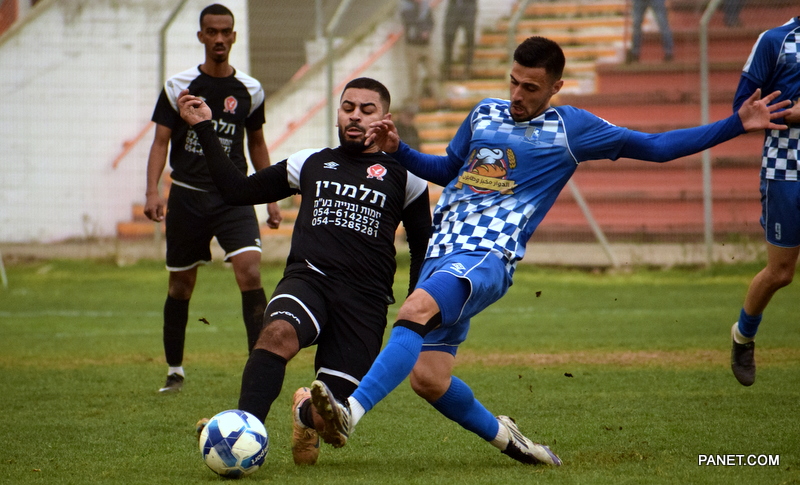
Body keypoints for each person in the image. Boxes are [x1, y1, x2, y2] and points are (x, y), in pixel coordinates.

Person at [308, 36, 790, 466]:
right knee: (429, 379)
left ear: (556, 87)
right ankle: (514, 443)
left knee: (414, 310)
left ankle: (350, 412)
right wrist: (400, 150)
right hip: (443, 253)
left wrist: (736, 124)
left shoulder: (571, 129)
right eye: (513, 82)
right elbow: (449, 169)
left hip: (487, 256)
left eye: (531, 88)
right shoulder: (484, 113)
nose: (517, 95)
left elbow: (657, 146)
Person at [178, 77, 432, 465]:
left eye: (367, 110)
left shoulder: (407, 175)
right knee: (277, 333)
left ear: (385, 119)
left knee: (331, 416)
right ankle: (242, 430)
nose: (355, 116)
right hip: (309, 279)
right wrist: (204, 127)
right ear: (338, 113)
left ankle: (304, 416)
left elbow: (422, 246)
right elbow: (236, 191)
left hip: (365, 302)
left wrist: (417, 308)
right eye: (348, 107)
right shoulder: (309, 162)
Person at [144, 4, 282, 393]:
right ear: (201, 36)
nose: (219, 38)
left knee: (250, 271)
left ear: (234, 36)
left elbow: (257, 143)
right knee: (180, 286)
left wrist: (271, 196)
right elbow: (160, 142)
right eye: (212, 32)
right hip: (187, 197)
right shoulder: (178, 87)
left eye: (225, 32)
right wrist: (152, 190)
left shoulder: (250, 90)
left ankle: (259, 368)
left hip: (233, 196)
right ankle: (175, 371)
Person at [728, 17, 800, 387]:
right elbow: (742, 109)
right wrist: (789, 113)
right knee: (781, 272)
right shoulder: (775, 41)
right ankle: (743, 336)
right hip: (785, 170)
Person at [400, 0, 439, 105]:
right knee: (414, 75)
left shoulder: (426, 8)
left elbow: (431, 22)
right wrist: (420, 31)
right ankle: (414, 100)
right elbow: (409, 22)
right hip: (412, 45)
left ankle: (438, 97)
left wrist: (427, 31)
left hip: (426, 45)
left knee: (433, 72)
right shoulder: (406, 7)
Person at [442, 0, 477, 80]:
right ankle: (447, 69)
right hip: (454, 5)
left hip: (469, 6)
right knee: (448, 36)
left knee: (469, 38)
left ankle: (468, 69)